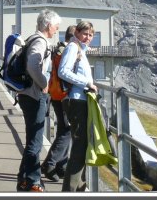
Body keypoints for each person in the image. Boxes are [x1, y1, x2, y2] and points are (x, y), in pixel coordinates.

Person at [15, 9, 61, 193]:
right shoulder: (40, 42)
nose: (57, 29)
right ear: (49, 25)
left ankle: (24, 180)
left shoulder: (32, 38)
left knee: (32, 140)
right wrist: (44, 84)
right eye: (56, 26)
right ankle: (33, 181)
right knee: (35, 141)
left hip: (28, 94)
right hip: (34, 95)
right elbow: (33, 65)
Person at [59, 20, 98, 193]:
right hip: (75, 101)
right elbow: (63, 71)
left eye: (91, 35)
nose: (88, 37)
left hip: (80, 101)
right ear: (76, 33)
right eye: (85, 33)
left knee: (81, 146)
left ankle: (79, 187)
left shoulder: (81, 49)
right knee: (80, 148)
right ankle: (70, 191)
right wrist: (87, 83)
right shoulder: (73, 48)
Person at [41, 25, 75, 181]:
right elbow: (65, 74)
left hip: (55, 94)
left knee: (64, 128)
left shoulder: (59, 49)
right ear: (74, 36)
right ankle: (50, 164)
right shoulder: (67, 51)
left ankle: (61, 166)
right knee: (67, 130)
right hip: (63, 96)